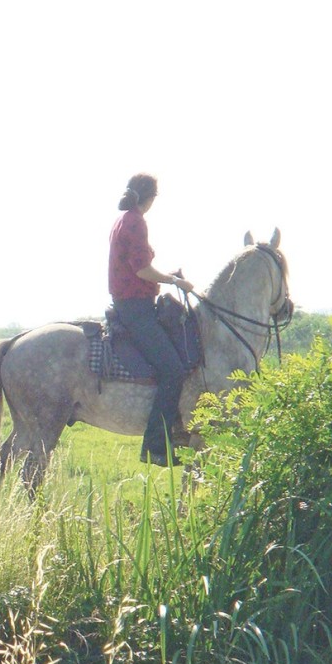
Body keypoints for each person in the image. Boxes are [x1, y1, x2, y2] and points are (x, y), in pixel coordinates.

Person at [107, 173, 195, 467]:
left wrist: (168, 276)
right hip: (136, 308)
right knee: (173, 370)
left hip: (132, 303)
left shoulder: (124, 219)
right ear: (150, 197)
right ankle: (155, 446)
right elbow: (142, 270)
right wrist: (173, 281)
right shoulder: (135, 221)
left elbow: (139, 269)